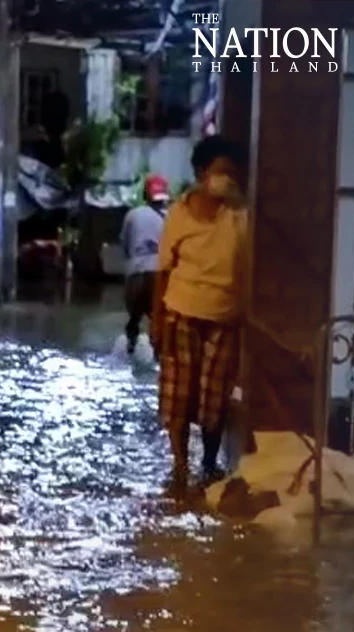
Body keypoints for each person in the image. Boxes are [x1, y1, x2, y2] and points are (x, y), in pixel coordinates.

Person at [151, 136, 250, 490]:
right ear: (201, 173)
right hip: (181, 312)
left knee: (215, 398)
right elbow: (164, 270)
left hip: (224, 318)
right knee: (178, 396)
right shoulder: (179, 212)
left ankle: (208, 462)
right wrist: (157, 321)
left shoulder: (241, 216)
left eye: (232, 173)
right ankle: (180, 463)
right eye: (219, 171)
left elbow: (250, 266)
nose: (225, 179)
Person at [121, 174, 171, 357]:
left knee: (133, 319)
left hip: (136, 272)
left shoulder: (132, 215)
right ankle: (159, 360)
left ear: (145, 194)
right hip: (160, 274)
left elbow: (125, 246)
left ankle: (130, 351)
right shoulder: (173, 217)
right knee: (158, 323)